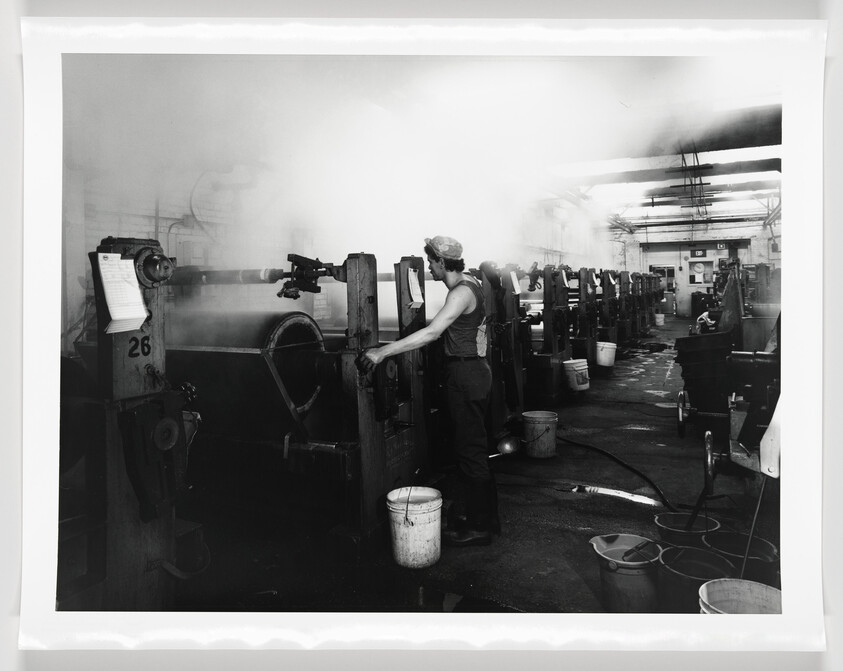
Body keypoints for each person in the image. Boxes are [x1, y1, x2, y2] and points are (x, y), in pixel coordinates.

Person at [358, 235, 498, 547]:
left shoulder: (460, 293)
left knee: (471, 450)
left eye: (431, 262)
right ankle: (475, 516)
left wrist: (383, 352)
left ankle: (481, 527)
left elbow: (433, 333)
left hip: (466, 374)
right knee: (466, 446)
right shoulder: (469, 281)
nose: (429, 269)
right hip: (469, 371)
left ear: (441, 262)